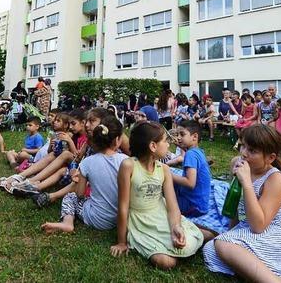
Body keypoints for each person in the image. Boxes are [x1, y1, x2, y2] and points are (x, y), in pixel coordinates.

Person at [203, 125, 281, 282]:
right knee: (212, 249)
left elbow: (259, 226)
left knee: (223, 245)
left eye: (252, 150)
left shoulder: (275, 179)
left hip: (278, 235)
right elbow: (236, 206)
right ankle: (265, 273)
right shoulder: (238, 164)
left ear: (270, 158)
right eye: (243, 146)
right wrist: (230, 233)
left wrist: (246, 183)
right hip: (253, 230)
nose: (244, 153)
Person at [110, 121, 204, 270]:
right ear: (153, 146)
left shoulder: (165, 169)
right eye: (165, 141)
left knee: (186, 238)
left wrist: (176, 227)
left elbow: (172, 205)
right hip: (140, 220)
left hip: (161, 213)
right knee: (167, 263)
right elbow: (123, 206)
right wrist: (121, 241)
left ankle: (191, 234)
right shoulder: (128, 166)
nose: (169, 145)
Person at [41, 115, 127, 234]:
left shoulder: (87, 162)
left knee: (70, 197)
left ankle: (67, 222)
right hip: (119, 219)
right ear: (118, 140)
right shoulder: (126, 161)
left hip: (96, 219)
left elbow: (80, 194)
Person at [169, 120, 215, 241]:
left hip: (194, 205)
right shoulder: (197, 151)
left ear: (194, 137)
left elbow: (190, 183)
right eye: (177, 134)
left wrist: (167, 174)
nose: (178, 138)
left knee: (166, 196)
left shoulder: (190, 155)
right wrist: (180, 145)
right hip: (201, 203)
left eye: (182, 135)